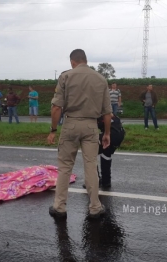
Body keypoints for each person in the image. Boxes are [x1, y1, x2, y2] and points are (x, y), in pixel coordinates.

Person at [47, 49, 112, 219]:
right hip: (91, 125)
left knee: (65, 167)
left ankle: (59, 207)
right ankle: (95, 207)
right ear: (85, 60)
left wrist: (53, 130)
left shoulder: (66, 77)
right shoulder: (100, 79)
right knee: (91, 166)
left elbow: (56, 107)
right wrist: (106, 133)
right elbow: (107, 113)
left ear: (72, 62)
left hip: (71, 124)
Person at [82, 113, 125, 189]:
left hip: (112, 132)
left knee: (89, 152)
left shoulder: (93, 109)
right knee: (106, 154)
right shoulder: (103, 106)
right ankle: (106, 181)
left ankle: (94, 180)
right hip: (119, 133)